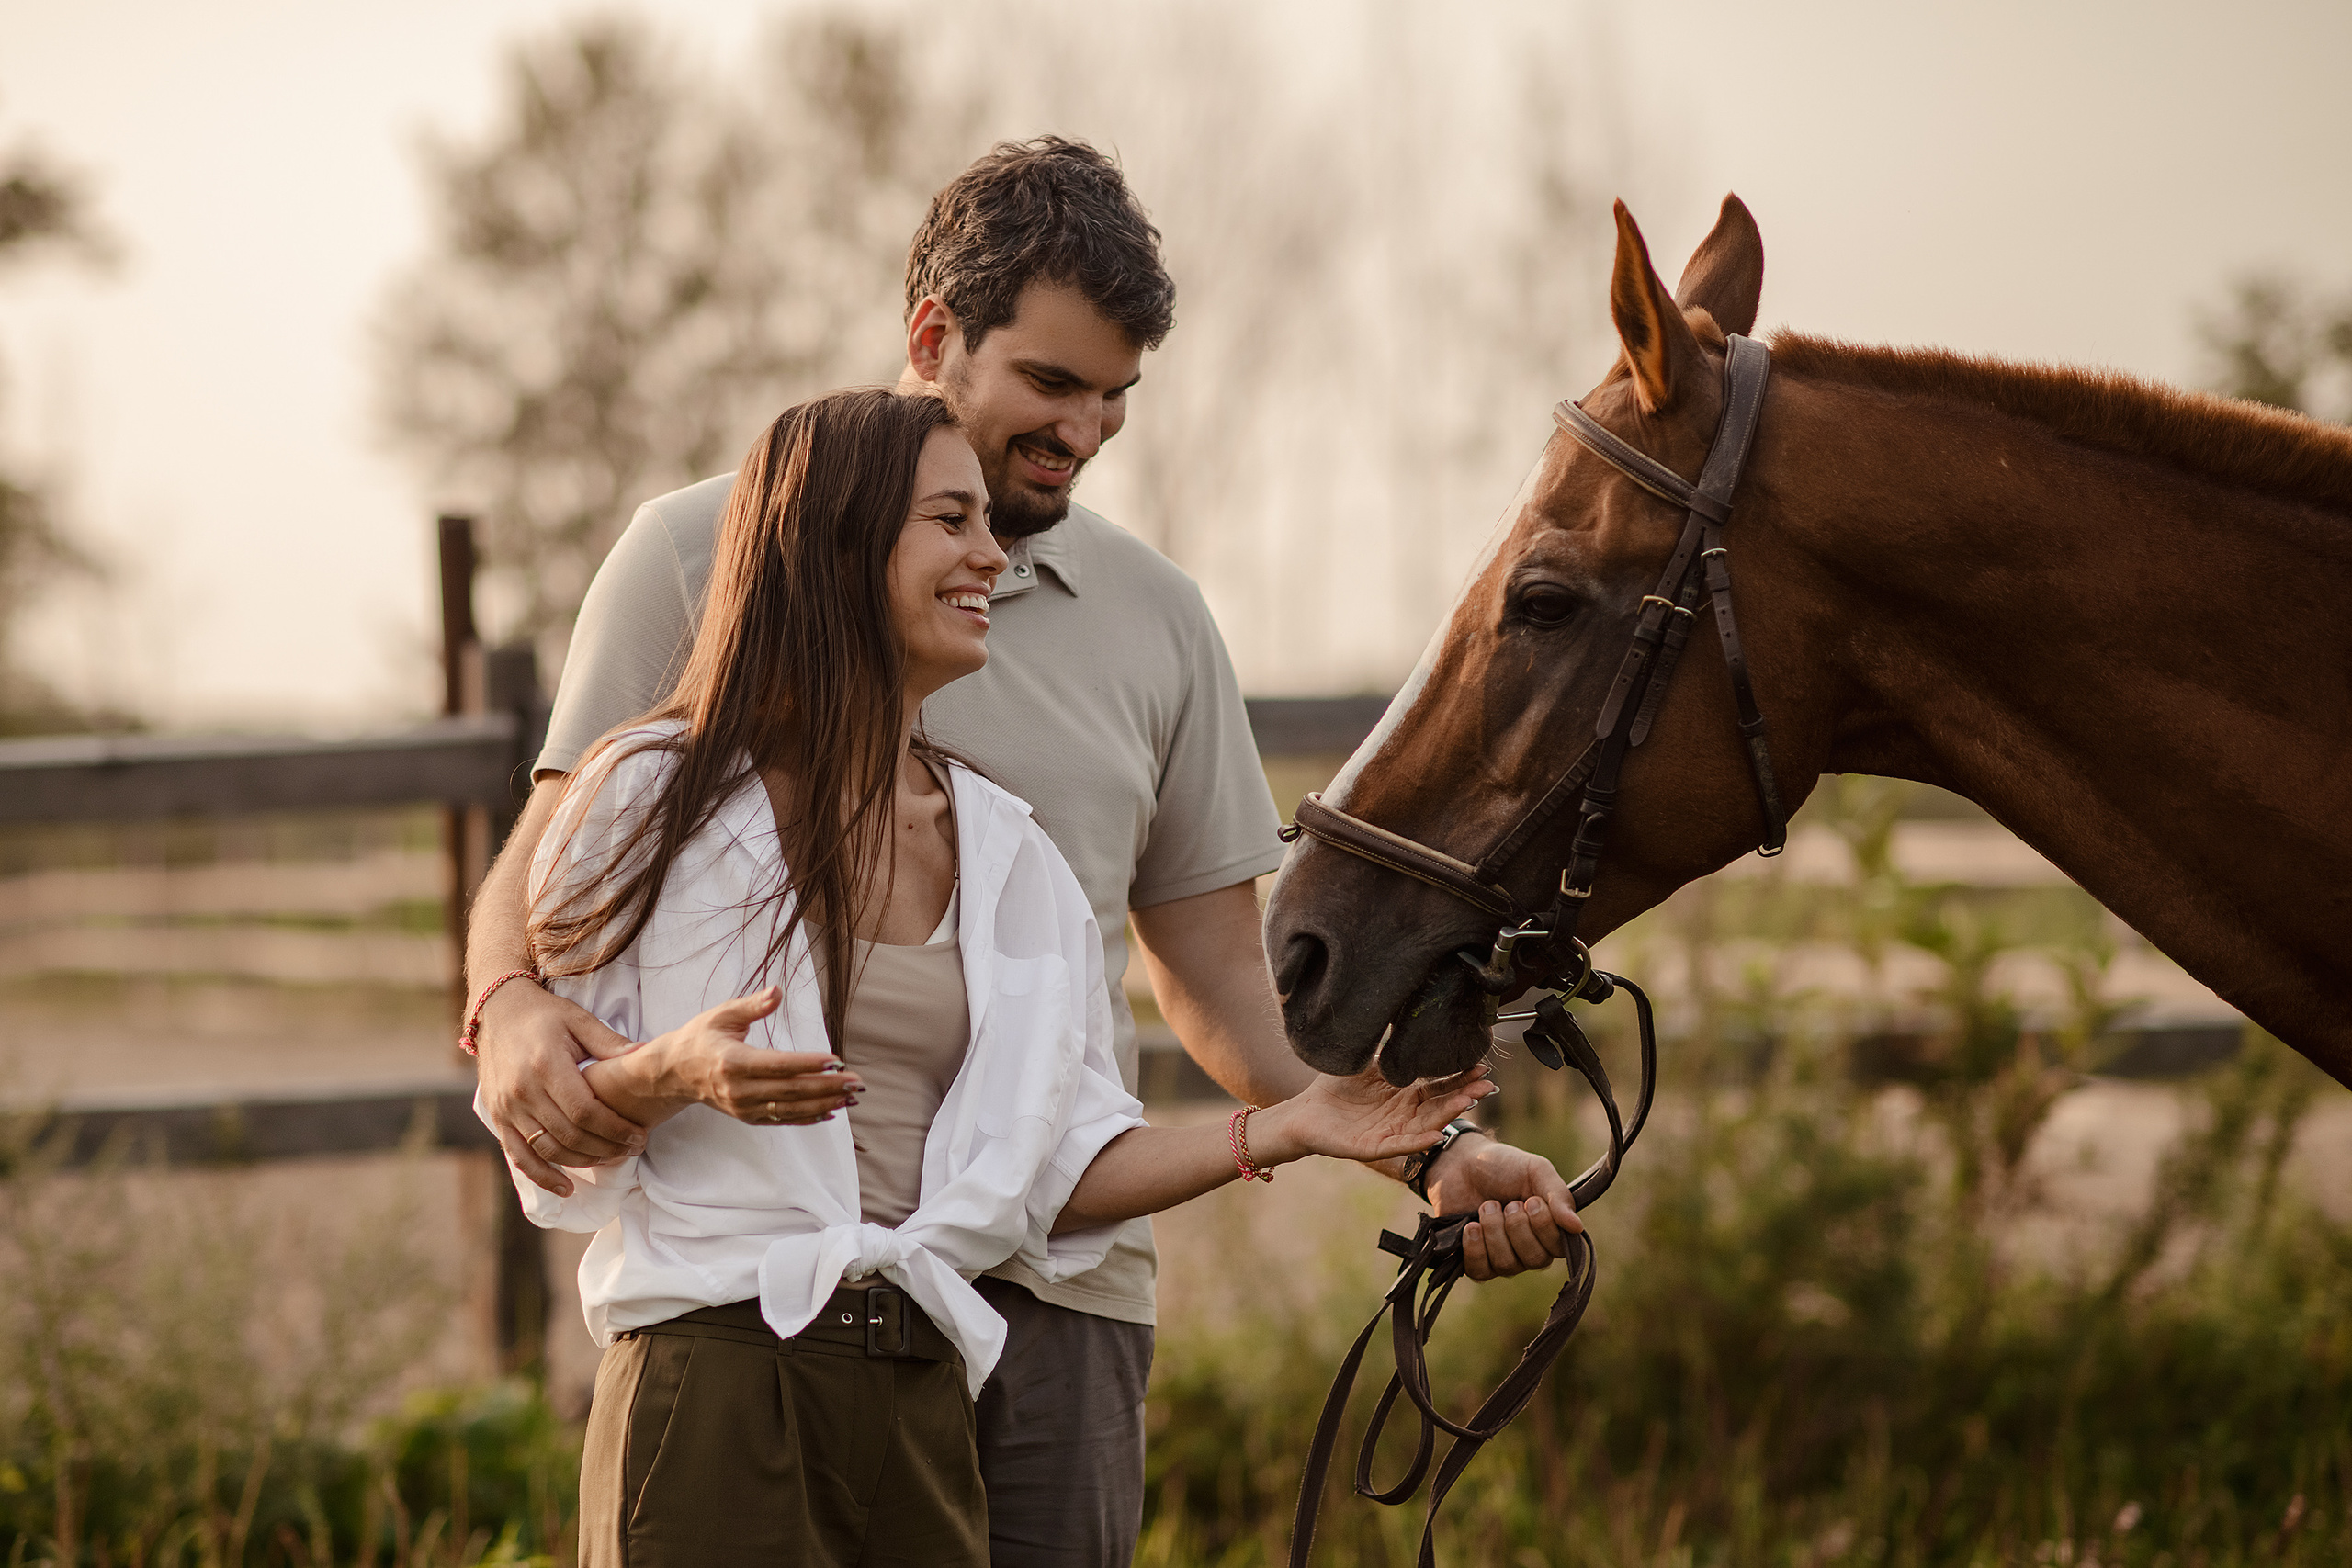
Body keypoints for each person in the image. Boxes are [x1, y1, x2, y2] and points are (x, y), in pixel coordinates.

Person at [464, 137, 1584, 1566]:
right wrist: (505, 1007)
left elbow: (1222, 981)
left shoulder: (1155, 621)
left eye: (1115, 398)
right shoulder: (705, 551)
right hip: (759, 1319)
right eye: (1051, 386)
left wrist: (1434, 1150)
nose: (1085, 433)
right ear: (936, 338)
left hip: (1062, 1287)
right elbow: (569, 844)